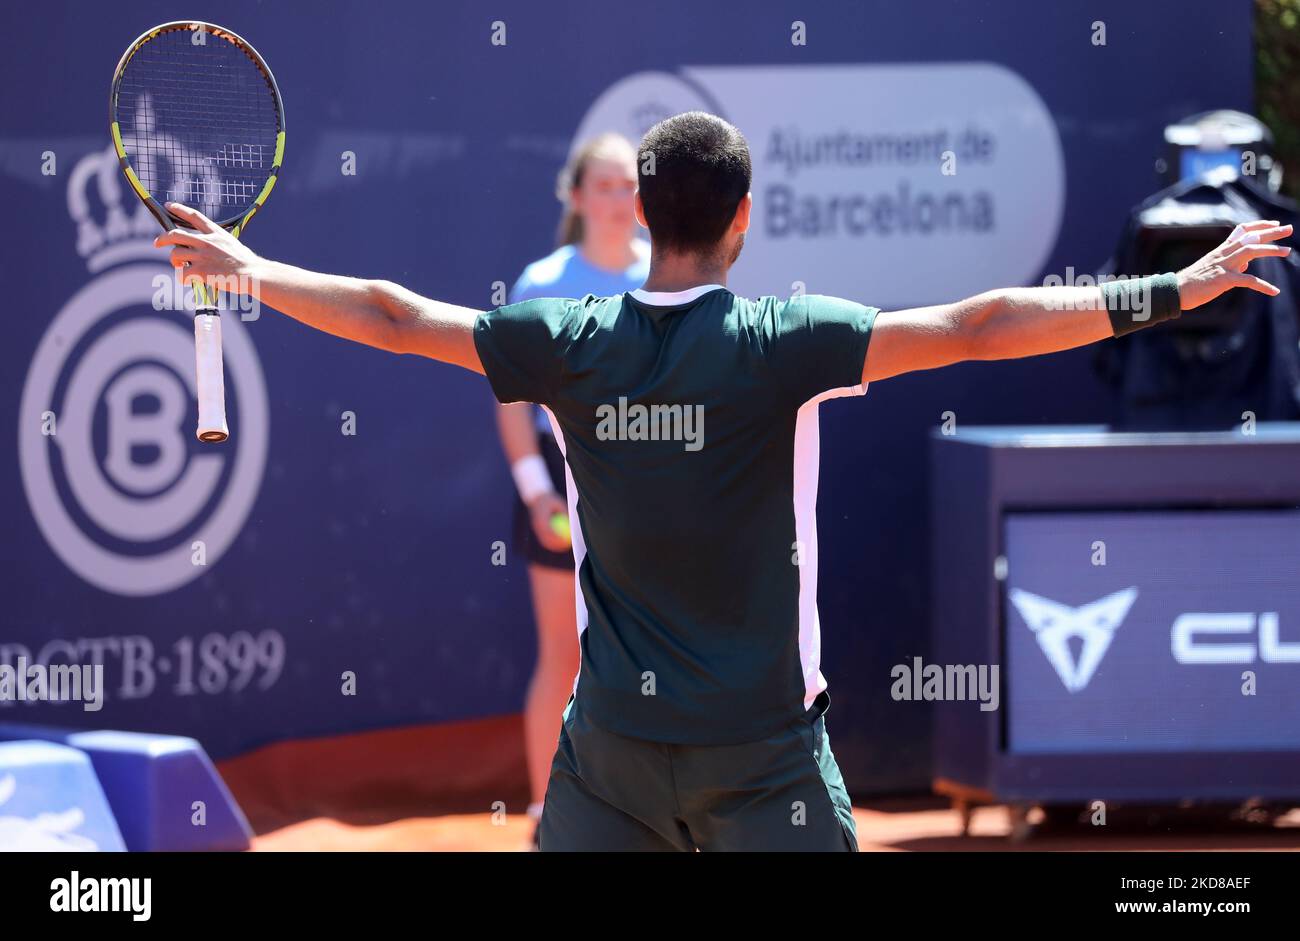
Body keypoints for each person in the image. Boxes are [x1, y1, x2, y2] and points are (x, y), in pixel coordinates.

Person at [157, 111, 1290, 851]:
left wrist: (250, 270)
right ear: (742, 219)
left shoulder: (565, 338)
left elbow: (399, 318)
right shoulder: (784, 341)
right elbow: (984, 324)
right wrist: (1175, 289)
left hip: (605, 765)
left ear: (639, 215)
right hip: (764, 766)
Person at [496, 133, 649, 840]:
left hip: (645, 495)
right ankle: (542, 812)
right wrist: (536, 491)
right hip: (559, 490)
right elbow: (510, 399)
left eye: (630, 186)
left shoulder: (665, 276)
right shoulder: (541, 282)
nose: (621, 199)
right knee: (563, 651)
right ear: (579, 196)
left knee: (644, 656)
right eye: (608, 185)